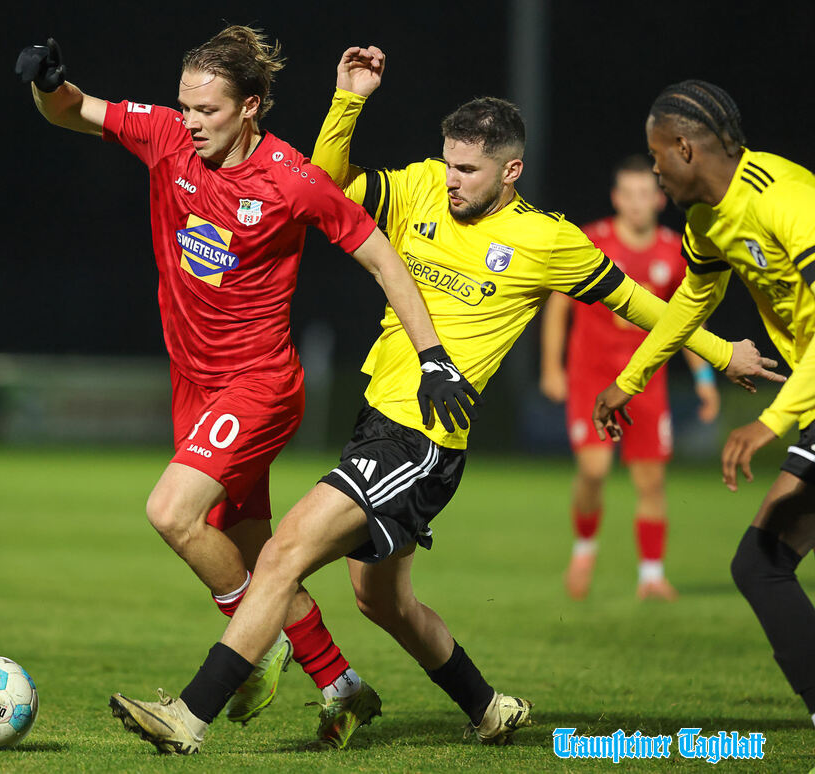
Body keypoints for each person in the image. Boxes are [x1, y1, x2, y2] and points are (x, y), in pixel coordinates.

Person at [102, 48, 782, 755]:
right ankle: (488, 708)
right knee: (382, 602)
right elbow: (321, 187)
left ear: (511, 171)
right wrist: (349, 101)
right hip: (379, 419)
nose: (451, 180)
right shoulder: (422, 188)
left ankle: (190, 716)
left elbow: (643, 304)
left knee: (281, 556)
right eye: (449, 162)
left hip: (420, 438)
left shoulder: (549, 241)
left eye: (469, 169)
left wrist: (721, 351)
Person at [15, 27, 476, 746]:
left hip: (259, 385)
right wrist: (47, 83)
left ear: (251, 107)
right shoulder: (165, 136)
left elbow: (385, 259)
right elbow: (72, 110)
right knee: (258, 557)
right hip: (194, 387)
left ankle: (251, 643)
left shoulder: (291, 179)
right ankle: (343, 687)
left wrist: (433, 357)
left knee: (172, 513)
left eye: (208, 110)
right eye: (186, 106)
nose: (191, 121)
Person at [593, 79, 815, 726]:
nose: (654, 169)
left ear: (685, 148)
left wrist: (769, 423)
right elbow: (695, 299)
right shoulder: (706, 219)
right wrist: (630, 381)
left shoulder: (789, 203)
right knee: (762, 565)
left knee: (761, 563)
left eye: (657, 154)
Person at [541, 155, 721, 601]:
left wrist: (704, 379)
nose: (638, 203)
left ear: (660, 199)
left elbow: (684, 323)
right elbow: (558, 306)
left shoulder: (673, 251)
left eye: (646, 193)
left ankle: (652, 576)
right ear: (616, 198)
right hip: (592, 377)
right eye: (629, 194)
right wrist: (551, 367)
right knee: (594, 469)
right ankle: (584, 550)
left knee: (651, 481)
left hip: (645, 381)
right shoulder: (591, 241)